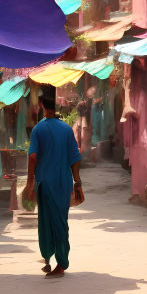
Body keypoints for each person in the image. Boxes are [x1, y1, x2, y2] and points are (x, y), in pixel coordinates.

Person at [23, 87, 83, 277]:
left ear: (41, 106)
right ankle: (58, 261)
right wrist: (78, 182)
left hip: (45, 185)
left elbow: (33, 157)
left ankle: (55, 261)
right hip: (63, 184)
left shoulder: (38, 129)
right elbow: (75, 158)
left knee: (46, 222)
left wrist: (29, 183)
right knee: (60, 222)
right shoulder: (66, 129)